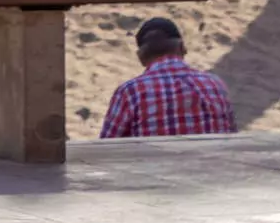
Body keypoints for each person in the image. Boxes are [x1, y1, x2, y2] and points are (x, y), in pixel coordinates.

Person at [99, 18, 237, 138]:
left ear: (141, 57)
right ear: (182, 47)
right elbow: (231, 136)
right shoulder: (215, 85)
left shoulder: (130, 93)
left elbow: (106, 149)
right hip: (215, 167)